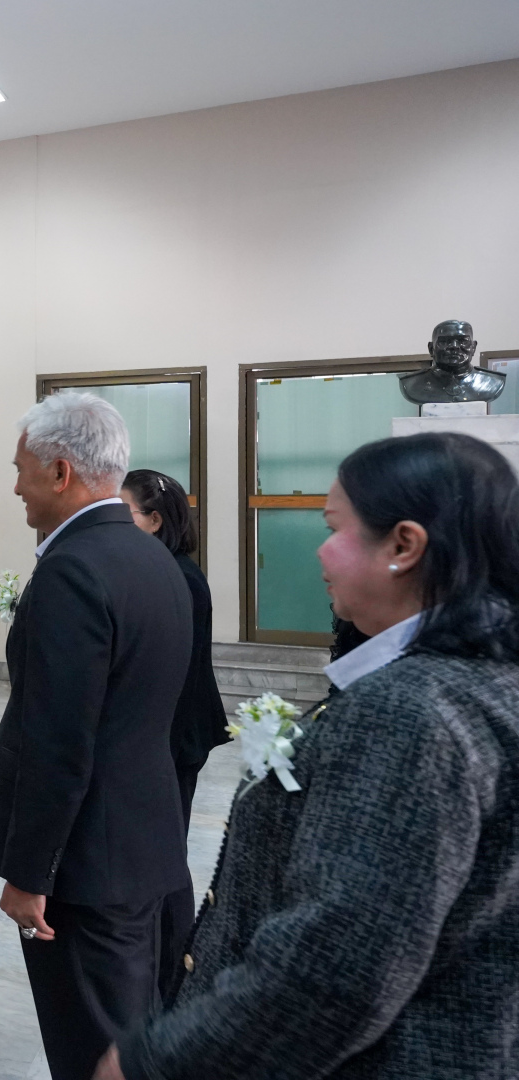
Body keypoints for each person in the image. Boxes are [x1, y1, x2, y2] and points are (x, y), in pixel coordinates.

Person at [99, 432, 519, 1080]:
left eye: (334, 528)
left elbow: (337, 966)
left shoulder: (410, 712)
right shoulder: (477, 681)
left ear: (404, 545)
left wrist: (154, 1059)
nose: (320, 550)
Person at [0, 393, 193, 1080]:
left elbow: (58, 742)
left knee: (93, 1053)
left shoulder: (71, 571)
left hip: (84, 868)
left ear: (60, 471)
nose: (16, 486)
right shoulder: (153, 559)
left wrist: (29, 873)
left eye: (21, 469)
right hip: (142, 842)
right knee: (131, 1040)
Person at [120, 469, 230, 1001]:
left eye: (125, 515)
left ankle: (172, 972)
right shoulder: (168, 570)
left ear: (155, 520)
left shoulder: (178, 577)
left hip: (176, 734)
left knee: (165, 856)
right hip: (171, 732)